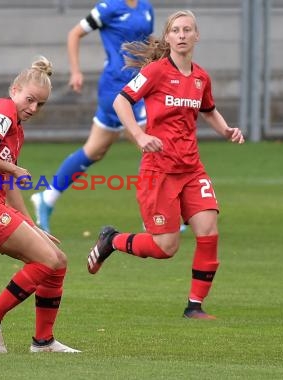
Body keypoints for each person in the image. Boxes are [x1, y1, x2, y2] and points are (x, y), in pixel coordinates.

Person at [87, 10, 245, 319]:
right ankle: (113, 240)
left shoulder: (201, 77)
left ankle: (195, 306)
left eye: (188, 30)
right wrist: (138, 134)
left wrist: (225, 129)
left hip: (191, 169)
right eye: (176, 30)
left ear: (197, 36)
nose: (183, 35)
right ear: (168, 37)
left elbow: (209, 110)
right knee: (165, 247)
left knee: (208, 229)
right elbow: (121, 100)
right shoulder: (157, 72)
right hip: (159, 171)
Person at [0, 56, 80, 353]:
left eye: (41, 104)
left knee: (57, 260)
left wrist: (34, 226)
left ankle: (43, 342)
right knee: (45, 260)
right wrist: (14, 169)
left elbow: (7, 186)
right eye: (30, 99)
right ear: (15, 89)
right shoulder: (5, 109)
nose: (33, 108)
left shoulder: (15, 129)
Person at [31, 0, 155, 233]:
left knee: (94, 150)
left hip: (140, 85)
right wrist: (76, 71)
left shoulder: (146, 8)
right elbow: (74, 34)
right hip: (116, 89)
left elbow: (148, 43)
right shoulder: (109, 8)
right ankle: (153, 216)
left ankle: (46, 198)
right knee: (149, 145)